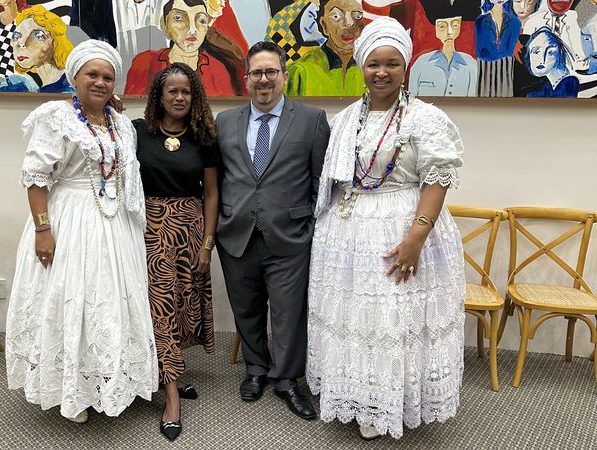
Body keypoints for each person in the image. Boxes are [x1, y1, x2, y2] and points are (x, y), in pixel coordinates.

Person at [308, 17, 466, 440]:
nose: (382, 72)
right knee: (358, 319)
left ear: (406, 67)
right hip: (347, 234)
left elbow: (437, 178)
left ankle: (387, 403)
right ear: (363, 66)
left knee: (392, 320)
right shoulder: (345, 119)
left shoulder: (424, 118)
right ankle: (358, 395)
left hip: (403, 229)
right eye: (374, 63)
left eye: (392, 64)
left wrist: (416, 237)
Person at [4, 39, 158, 424]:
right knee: (72, 300)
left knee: (109, 302)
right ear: (74, 77)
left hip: (113, 221)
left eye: (108, 76)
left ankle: (107, 378)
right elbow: (36, 178)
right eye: (92, 74)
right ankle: (72, 390)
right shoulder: (56, 117)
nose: (100, 82)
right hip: (69, 220)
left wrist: (111, 109)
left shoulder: (119, 122)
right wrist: (43, 230)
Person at [215, 41, 330, 420]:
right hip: (237, 233)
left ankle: (286, 380)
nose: (263, 80)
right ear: (245, 78)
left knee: (287, 313)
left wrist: (309, 226)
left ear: (283, 76)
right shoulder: (225, 122)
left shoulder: (312, 120)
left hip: (290, 236)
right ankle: (255, 370)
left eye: (271, 72)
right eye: (256, 73)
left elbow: (322, 183)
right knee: (245, 310)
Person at [133, 62, 219, 441]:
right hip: (150, 229)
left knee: (182, 306)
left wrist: (207, 243)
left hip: (190, 227)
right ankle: (171, 397)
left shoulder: (204, 136)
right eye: (172, 91)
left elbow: (213, 193)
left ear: (194, 95)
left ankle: (171, 372)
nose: (180, 97)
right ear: (160, 96)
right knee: (160, 307)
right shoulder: (138, 131)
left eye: (186, 91)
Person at [124, 0, 246, 96]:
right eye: (179, 18)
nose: (192, 28)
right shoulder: (145, 62)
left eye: (201, 20)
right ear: (165, 25)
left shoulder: (218, 69)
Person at [285, 0, 366, 96]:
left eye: (357, 16)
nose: (348, 24)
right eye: (336, 17)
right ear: (324, 25)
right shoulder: (300, 71)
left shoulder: (372, 68)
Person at [0, 5, 74, 93]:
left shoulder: (73, 87)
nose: (22, 43)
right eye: (16, 36)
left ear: (56, 43)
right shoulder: (14, 85)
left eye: (38, 36)